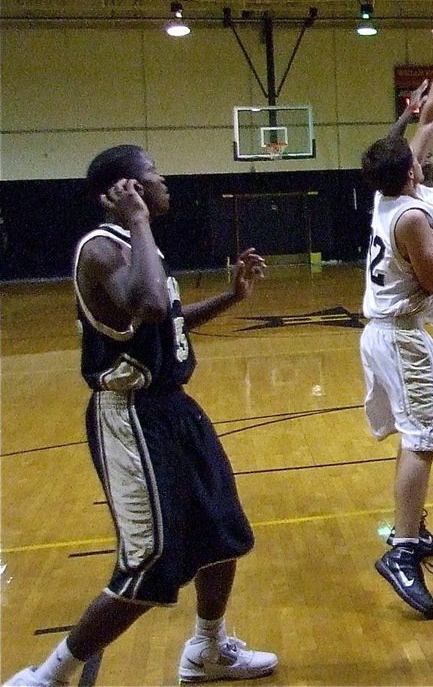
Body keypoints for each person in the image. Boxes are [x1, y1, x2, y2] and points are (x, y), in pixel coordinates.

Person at [5, 147, 276, 687]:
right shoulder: (103, 249)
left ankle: (208, 647)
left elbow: (167, 320)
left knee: (222, 532)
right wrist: (137, 219)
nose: (166, 183)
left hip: (173, 409)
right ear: (128, 188)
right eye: (156, 177)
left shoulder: (135, 245)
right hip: (129, 417)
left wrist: (230, 297)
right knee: (149, 561)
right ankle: (50, 675)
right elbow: (149, 305)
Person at [360, 130, 433, 618]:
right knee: (422, 440)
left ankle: (413, 527)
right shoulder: (410, 216)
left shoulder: (385, 201)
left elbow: (422, 127)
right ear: (411, 171)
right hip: (402, 336)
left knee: (414, 436)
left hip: (383, 332)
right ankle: (402, 549)